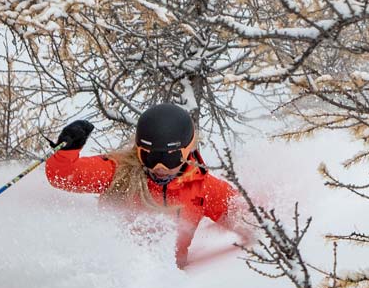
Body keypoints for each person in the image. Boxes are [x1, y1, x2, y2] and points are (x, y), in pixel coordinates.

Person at [45, 103, 252, 267]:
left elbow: (249, 220)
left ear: (187, 150)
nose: (159, 167)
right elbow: (63, 176)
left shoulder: (203, 189)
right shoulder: (120, 171)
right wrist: (67, 150)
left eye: (170, 158)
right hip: (112, 270)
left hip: (169, 283)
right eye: (149, 156)